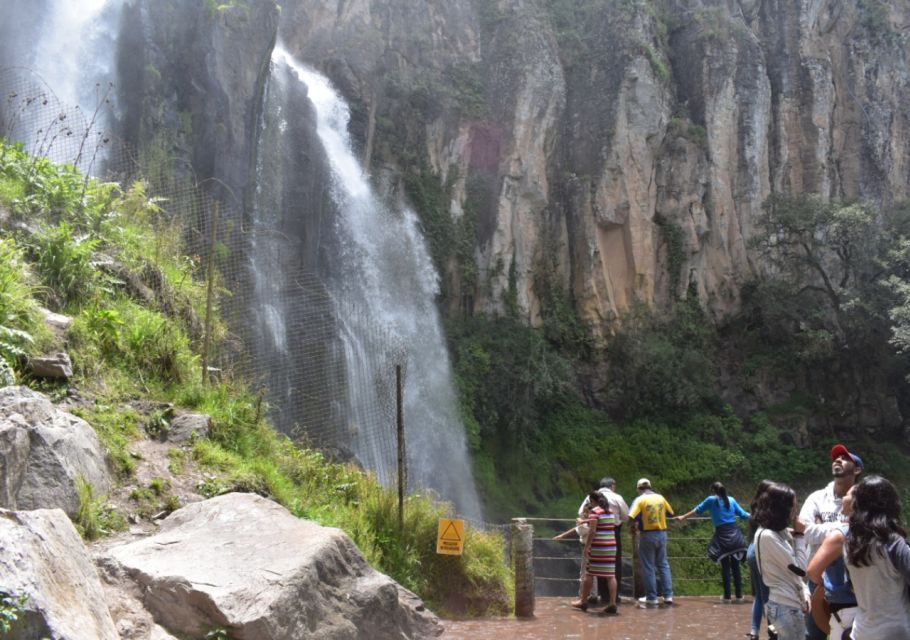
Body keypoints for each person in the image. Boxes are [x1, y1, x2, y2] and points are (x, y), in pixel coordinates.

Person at [799, 443, 863, 640]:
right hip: (818, 579)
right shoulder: (817, 498)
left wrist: (821, 528)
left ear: (857, 469)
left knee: (852, 633)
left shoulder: (863, 499)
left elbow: (865, 531)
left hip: (854, 584)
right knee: (813, 634)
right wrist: (843, 528)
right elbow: (803, 530)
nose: (837, 460)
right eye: (836, 457)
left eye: (845, 458)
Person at [843, 475, 910, 639]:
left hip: (862, 631)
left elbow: (851, 587)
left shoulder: (849, 543)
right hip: (895, 632)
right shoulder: (893, 542)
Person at [676, 481, 750, 603]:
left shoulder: (711, 500)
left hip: (722, 536)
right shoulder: (731, 500)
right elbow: (743, 514)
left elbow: (697, 510)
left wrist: (683, 517)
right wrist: (757, 517)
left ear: (713, 491)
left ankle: (727, 597)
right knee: (736, 566)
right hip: (735, 535)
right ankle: (739, 596)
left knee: (725, 566)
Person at [753, 482, 809, 640]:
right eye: (793, 505)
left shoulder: (772, 532)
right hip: (786, 607)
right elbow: (801, 569)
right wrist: (799, 535)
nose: (795, 509)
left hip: (783, 605)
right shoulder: (768, 536)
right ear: (783, 508)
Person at [806, 483, 858, 640]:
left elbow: (812, 571)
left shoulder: (841, 534)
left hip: (843, 609)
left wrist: (822, 585)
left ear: (857, 502)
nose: (844, 497)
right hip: (869, 607)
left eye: (848, 495)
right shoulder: (877, 532)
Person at [578, 477, 630, 603]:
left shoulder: (592, 505)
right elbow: (625, 516)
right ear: (612, 485)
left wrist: (587, 545)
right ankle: (613, 599)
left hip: (597, 538)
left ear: (593, 501)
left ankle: (596, 597)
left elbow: (582, 514)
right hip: (612, 535)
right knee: (613, 569)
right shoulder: (615, 501)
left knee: (592, 570)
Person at [570, 491, 619, 615]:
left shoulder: (595, 512)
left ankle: (583, 601)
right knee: (610, 575)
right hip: (611, 546)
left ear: (593, 500)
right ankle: (612, 603)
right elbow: (601, 523)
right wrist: (584, 521)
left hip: (599, 546)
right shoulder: (610, 511)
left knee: (589, 573)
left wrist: (587, 547)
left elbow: (592, 531)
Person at [629, 478, 674, 608]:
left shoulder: (640, 500)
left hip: (647, 535)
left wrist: (630, 528)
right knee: (663, 564)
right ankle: (668, 596)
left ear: (638, 489)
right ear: (650, 487)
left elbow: (631, 517)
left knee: (648, 566)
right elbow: (671, 513)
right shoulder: (660, 497)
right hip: (662, 534)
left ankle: (652, 597)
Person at [745, 480, 773, 640]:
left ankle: (755, 631)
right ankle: (772, 630)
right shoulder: (768, 510)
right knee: (768, 596)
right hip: (760, 553)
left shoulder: (755, 508)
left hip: (751, 551)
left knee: (760, 596)